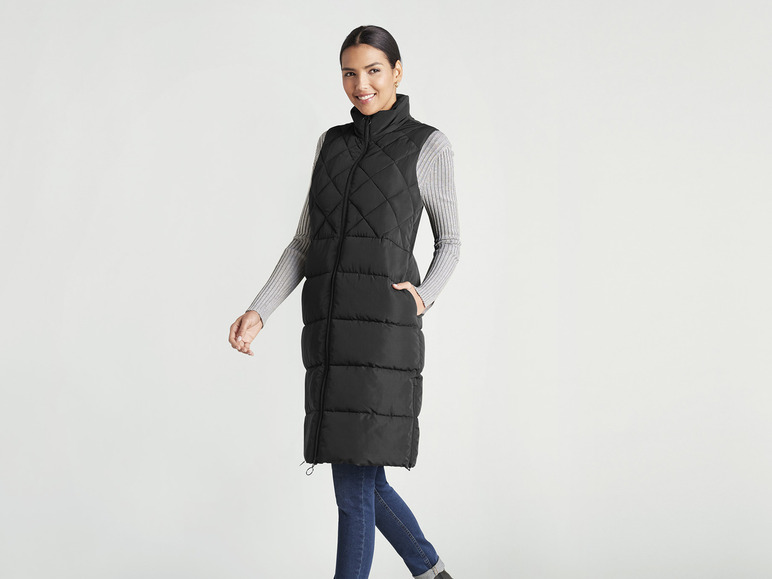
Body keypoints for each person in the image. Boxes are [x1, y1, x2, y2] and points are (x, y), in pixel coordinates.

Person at [229, 25, 461, 579]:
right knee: (363, 480)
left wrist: (423, 298)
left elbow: (451, 241)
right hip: (330, 337)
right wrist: (259, 310)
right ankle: (433, 572)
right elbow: (305, 243)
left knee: (353, 488)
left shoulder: (428, 144)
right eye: (349, 73)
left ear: (397, 72)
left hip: (382, 336)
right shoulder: (331, 144)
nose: (361, 85)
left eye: (374, 71)